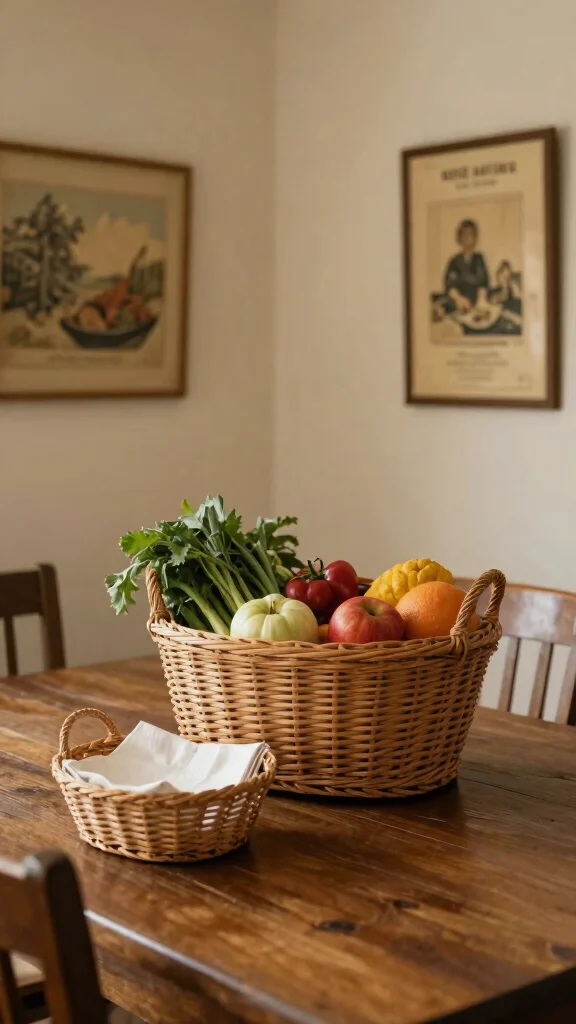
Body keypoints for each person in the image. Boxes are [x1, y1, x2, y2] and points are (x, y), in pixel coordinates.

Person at [443, 219, 489, 314]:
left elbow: (483, 282)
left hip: (477, 305)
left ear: (475, 238)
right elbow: (450, 286)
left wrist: (481, 301)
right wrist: (459, 299)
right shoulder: (454, 261)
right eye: (465, 235)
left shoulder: (479, 259)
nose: (468, 238)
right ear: (459, 238)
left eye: (471, 234)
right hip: (458, 306)